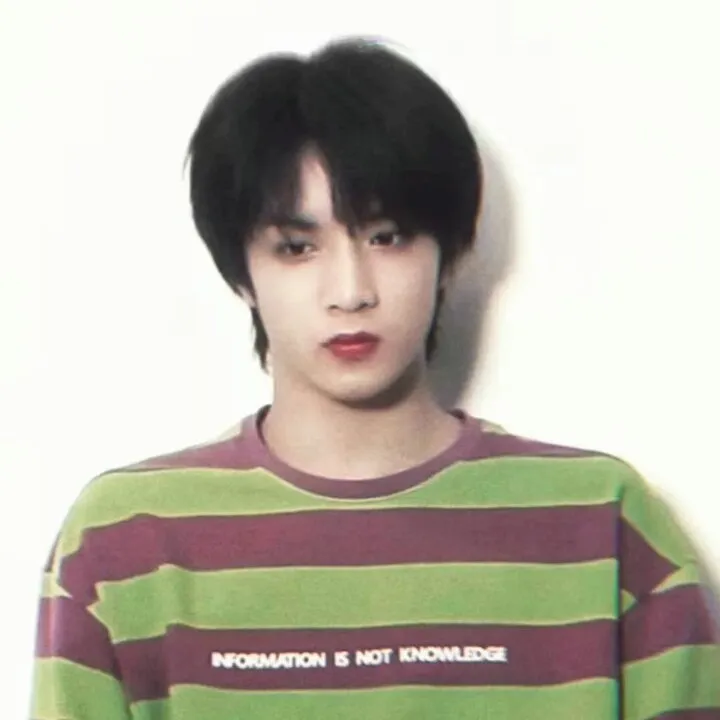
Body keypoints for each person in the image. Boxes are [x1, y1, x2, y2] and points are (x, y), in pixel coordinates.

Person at [30, 37, 719, 720]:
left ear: (452, 253)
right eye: (296, 248)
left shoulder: (604, 523)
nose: (351, 291)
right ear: (240, 272)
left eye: (387, 236)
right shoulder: (126, 542)